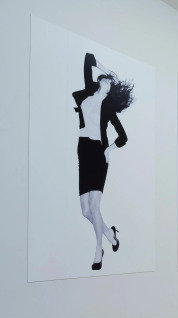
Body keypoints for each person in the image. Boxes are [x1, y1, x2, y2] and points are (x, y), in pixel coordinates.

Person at [72, 52, 133, 271]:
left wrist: (108, 149)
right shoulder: (89, 91)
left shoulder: (108, 107)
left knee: (94, 207)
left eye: (109, 83)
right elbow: (88, 58)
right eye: (104, 80)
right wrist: (108, 72)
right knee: (85, 211)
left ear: (111, 90)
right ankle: (109, 233)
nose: (106, 81)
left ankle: (99, 249)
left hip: (98, 153)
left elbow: (123, 137)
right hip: (83, 150)